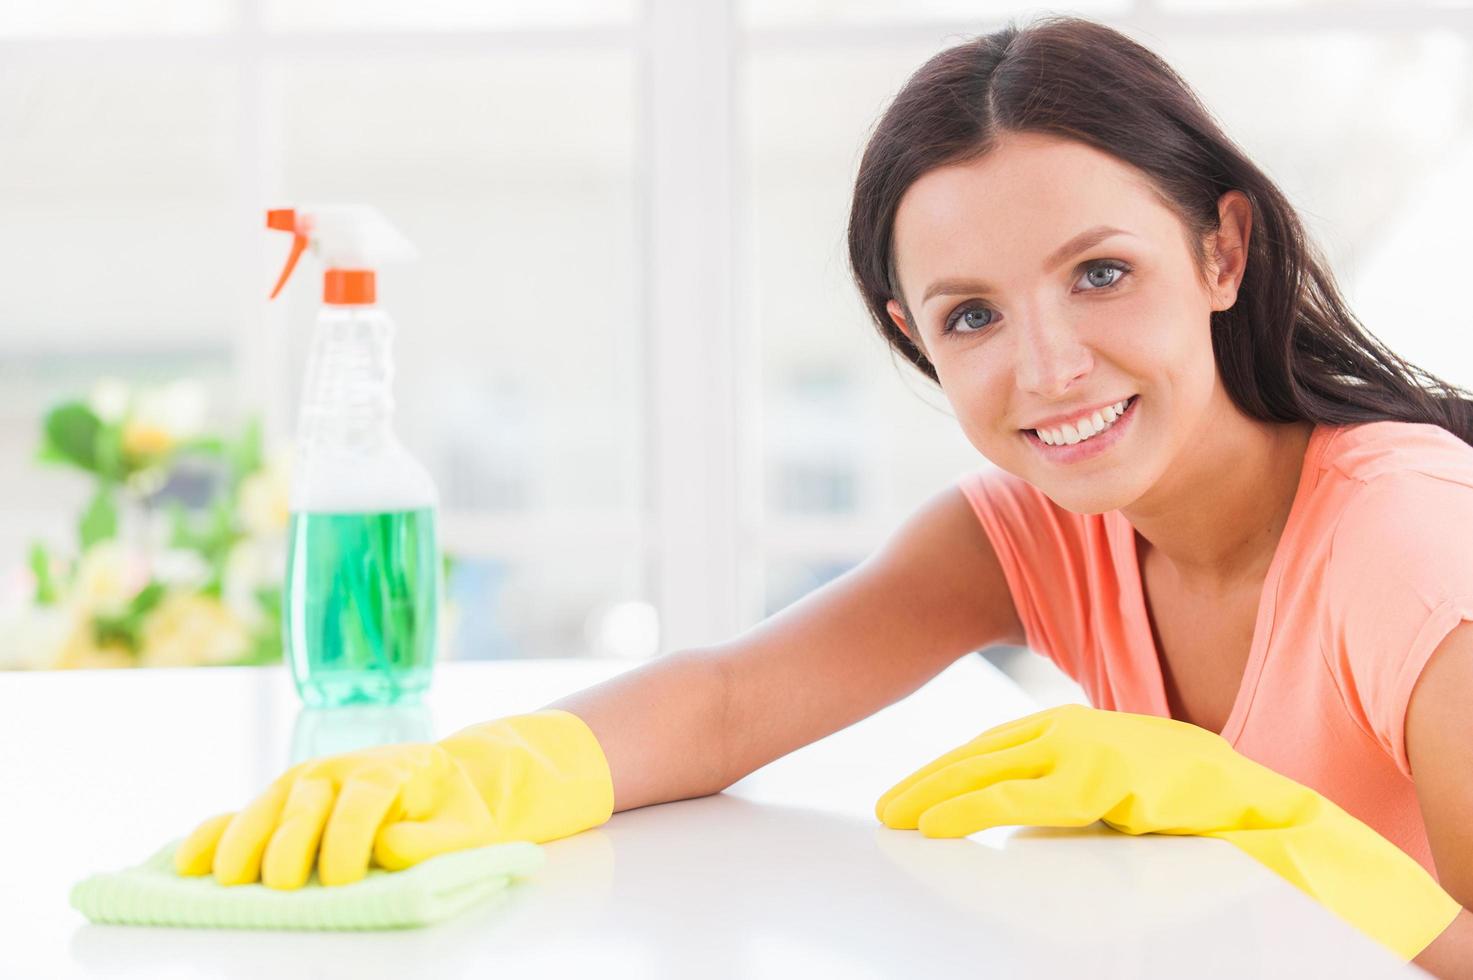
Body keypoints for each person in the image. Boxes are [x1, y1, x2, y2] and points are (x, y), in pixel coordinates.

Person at [175, 14, 1473, 973]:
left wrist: (1274, 832)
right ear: (916, 340)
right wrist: (470, 776)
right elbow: (732, 700)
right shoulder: (1034, 533)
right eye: (972, 316)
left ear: (1221, 250)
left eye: (1097, 273)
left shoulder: (1407, 543)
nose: (1047, 366)